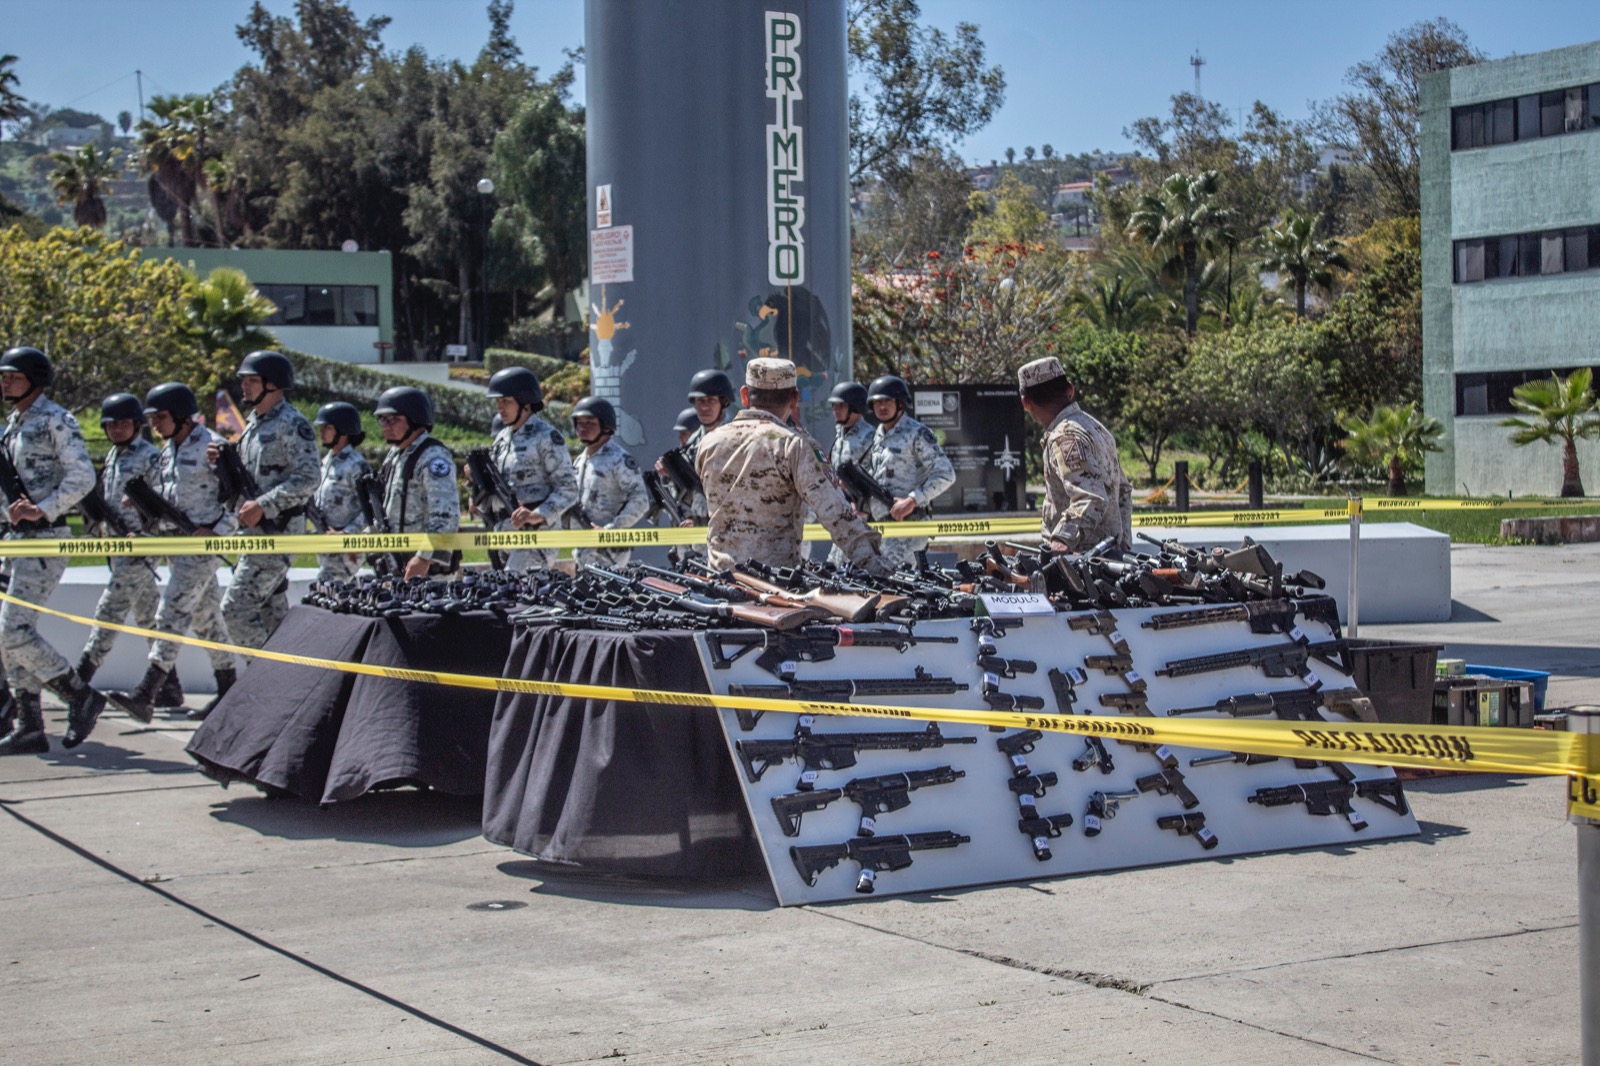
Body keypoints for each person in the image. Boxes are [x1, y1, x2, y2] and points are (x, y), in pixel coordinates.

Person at [107, 383, 239, 724]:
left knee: (172, 611)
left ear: (181, 415)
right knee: (205, 620)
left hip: (201, 546)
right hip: (175, 545)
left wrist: (217, 531)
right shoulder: (167, 451)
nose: (154, 424)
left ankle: (147, 693)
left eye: (161, 417)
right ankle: (230, 691)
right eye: (152, 418)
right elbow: (171, 492)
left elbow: (238, 495)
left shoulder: (213, 446)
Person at [0, 347, 109, 755]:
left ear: (35, 379)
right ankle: (30, 726)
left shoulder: (55, 419)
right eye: (3, 375)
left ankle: (80, 695)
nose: (5, 381)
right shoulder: (14, 424)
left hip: (43, 539)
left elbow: (82, 476)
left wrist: (42, 509)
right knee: (8, 635)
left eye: (13, 375)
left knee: (12, 632)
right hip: (14, 541)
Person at [696, 358, 886, 574]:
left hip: (718, 582)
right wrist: (880, 570)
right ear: (794, 399)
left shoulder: (709, 443)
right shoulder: (794, 445)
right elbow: (837, 515)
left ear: (744, 395)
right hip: (774, 584)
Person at [210, 350, 319, 651]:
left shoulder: (291, 423)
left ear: (273, 384)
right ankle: (286, 679)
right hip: (254, 536)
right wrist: (221, 463)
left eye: (252, 380)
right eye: (243, 380)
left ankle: (262, 674)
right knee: (274, 620)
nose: (244, 386)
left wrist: (264, 505)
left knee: (236, 611)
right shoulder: (252, 425)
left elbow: (310, 477)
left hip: (278, 534)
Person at [75, 393, 175, 705]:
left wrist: (144, 530)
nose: (116, 429)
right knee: (147, 614)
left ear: (136, 424)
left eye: (122, 423)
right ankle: (170, 687)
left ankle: (78, 684)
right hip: (119, 546)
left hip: (142, 546)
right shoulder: (112, 456)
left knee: (110, 608)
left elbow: (163, 501)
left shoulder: (150, 457)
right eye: (110, 424)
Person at [1017, 355, 1132, 552]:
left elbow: (1090, 497)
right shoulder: (1094, 427)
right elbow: (1123, 491)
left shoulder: (1064, 436)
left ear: (1026, 403)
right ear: (1070, 389)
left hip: (1080, 559)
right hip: (1107, 556)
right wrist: (1123, 541)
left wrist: (1062, 540)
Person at [485, 367, 578, 571]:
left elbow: (569, 489)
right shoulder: (502, 438)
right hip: (505, 534)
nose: (499, 408)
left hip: (537, 536)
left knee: (516, 586)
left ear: (525, 403)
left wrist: (538, 514)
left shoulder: (546, 437)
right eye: (498, 402)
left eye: (505, 401)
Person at [861, 374, 956, 570]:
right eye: (877, 402)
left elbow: (946, 474)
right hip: (883, 527)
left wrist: (912, 500)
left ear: (901, 404)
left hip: (910, 525)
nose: (882, 406)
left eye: (888, 401)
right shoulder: (877, 436)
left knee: (895, 579)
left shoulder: (917, 433)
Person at [372, 386, 460, 579]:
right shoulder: (395, 456)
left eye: (393, 419)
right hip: (396, 565)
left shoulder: (433, 457)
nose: (385, 426)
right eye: (382, 420)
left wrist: (423, 558)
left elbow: (446, 516)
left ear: (415, 419)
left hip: (427, 572)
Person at [568, 396, 651, 568]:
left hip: (609, 553)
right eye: (579, 423)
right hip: (583, 550)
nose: (582, 428)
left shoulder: (619, 459)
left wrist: (610, 531)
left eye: (589, 422)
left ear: (606, 426)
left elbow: (641, 500)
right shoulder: (580, 461)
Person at [658, 368, 734, 524]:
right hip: (701, 529)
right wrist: (670, 475)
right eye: (700, 401)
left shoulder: (738, 438)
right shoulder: (693, 442)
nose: (704, 407)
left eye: (711, 401)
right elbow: (688, 494)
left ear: (724, 402)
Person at [309, 402, 373, 583]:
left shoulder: (356, 466)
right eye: (321, 428)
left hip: (344, 547)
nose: (322, 432)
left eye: (327, 428)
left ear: (343, 431)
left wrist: (348, 535)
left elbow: (371, 508)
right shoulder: (325, 463)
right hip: (326, 543)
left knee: (326, 588)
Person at [824, 381, 876, 568]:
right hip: (844, 515)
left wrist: (864, 505)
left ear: (855, 407)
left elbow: (877, 479)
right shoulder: (840, 436)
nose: (836, 410)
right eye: (834, 406)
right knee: (835, 567)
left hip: (864, 517)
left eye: (842, 406)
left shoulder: (870, 437)